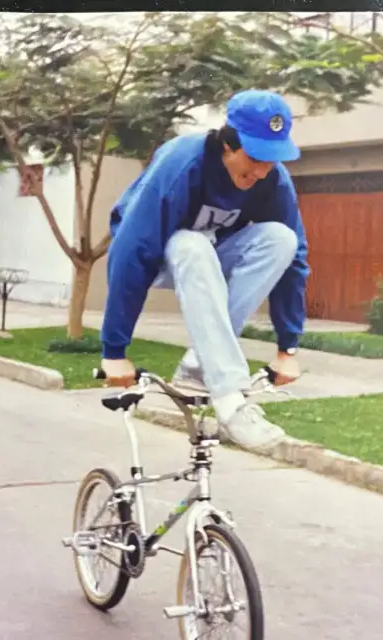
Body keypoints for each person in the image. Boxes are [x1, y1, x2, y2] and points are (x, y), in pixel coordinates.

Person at [100, 89, 310, 452]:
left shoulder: (272, 180)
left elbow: (297, 259)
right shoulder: (182, 162)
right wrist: (114, 350)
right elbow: (132, 250)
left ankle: (199, 363)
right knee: (190, 243)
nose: (261, 171)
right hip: (157, 256)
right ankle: (230, 401)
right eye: (256, 157)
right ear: (228, 144)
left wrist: (287, 346)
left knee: (282, 239)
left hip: (212, 256)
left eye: (272, 160)